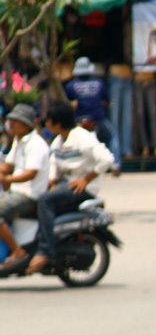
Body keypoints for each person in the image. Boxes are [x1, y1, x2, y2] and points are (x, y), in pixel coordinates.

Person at [25, 102, 114, 274]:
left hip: (81, 188)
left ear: (58, 123)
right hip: (64, 185)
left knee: (45, 200)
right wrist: (51, 182)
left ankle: (45, 250)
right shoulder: (58, 141)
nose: (46, 125)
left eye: (48, 121)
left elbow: (107, 159)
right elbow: (52, 164)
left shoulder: (83, 138)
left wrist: (86, 179)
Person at [0, 104, 50, 267]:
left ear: (26, 124)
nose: (11, 124)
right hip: (16, 192)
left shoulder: (36, 144)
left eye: (16, 121)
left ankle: (17, 250)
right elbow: (7, 166)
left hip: (28, 195)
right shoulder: (18, 141)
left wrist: (8, 179)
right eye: (11, 120)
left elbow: (31, 173)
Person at [65, 57, 119, 175]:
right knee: (111, 137)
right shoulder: (99, 83)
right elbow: (107, 100)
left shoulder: (71, 85)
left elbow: (69, 102)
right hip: (97, 117)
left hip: (79, 119)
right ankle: (116, 164)